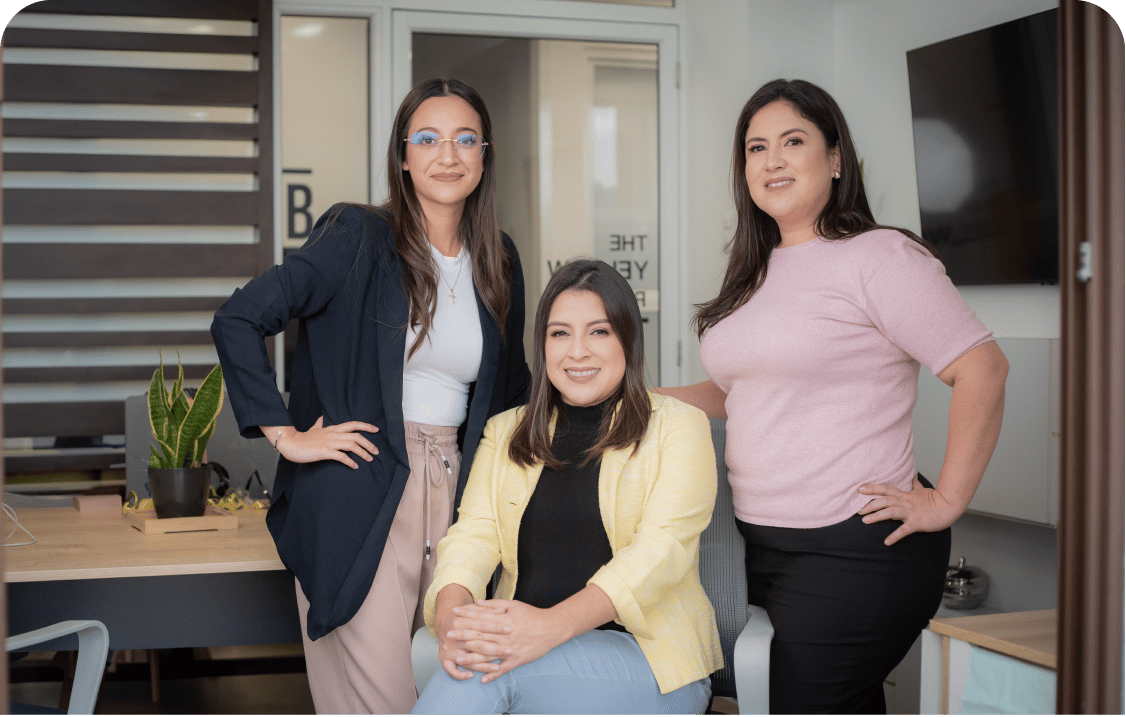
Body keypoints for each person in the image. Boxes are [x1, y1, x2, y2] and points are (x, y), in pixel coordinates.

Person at [657, 79, 1009, 714]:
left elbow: (982, 367)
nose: (773, 160)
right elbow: (743, 392)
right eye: (757, 148)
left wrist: (948, 500)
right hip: (759, 544)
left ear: (836, 158)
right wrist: (638, 398)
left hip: (855, 549)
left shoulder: (879, 257)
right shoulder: (754, 272)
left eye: (793, 141)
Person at [210, 78, 530, 714]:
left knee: (457, 691)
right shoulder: (357, 236)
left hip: (462, 492)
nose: (448, 155)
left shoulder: (499, 257)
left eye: (466, 139)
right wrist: (286, 436)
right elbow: (239, 318)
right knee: (382, 698)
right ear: (403, 156)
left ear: (485, 155)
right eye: (428, 139)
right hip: (363, 486)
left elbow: (511, 389)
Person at [410, 259, 722, 715]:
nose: (577, 352)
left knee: (486, 672)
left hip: (650, 664)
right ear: (542, 345)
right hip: (523, 653)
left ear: (627, 339)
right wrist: (454, 620)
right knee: (480, 665)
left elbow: (662, 552)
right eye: (560, 333)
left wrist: (548, 628)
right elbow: (473, 536)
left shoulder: (679, 427)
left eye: (599, 332)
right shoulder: (506, 431)